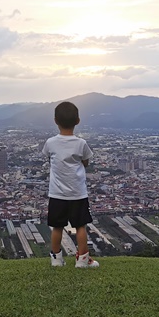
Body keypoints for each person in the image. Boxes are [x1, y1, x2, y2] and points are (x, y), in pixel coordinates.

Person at [43, 101, 99, 268]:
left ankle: (56, 259)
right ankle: (82, 260)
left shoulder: (50, 142)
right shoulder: (80, 143)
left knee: (57, 227)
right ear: (78, 121)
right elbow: (86, 161)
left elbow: (49, 157)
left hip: (57, 193)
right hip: (77, 193)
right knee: (80, 226)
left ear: (55, 121)